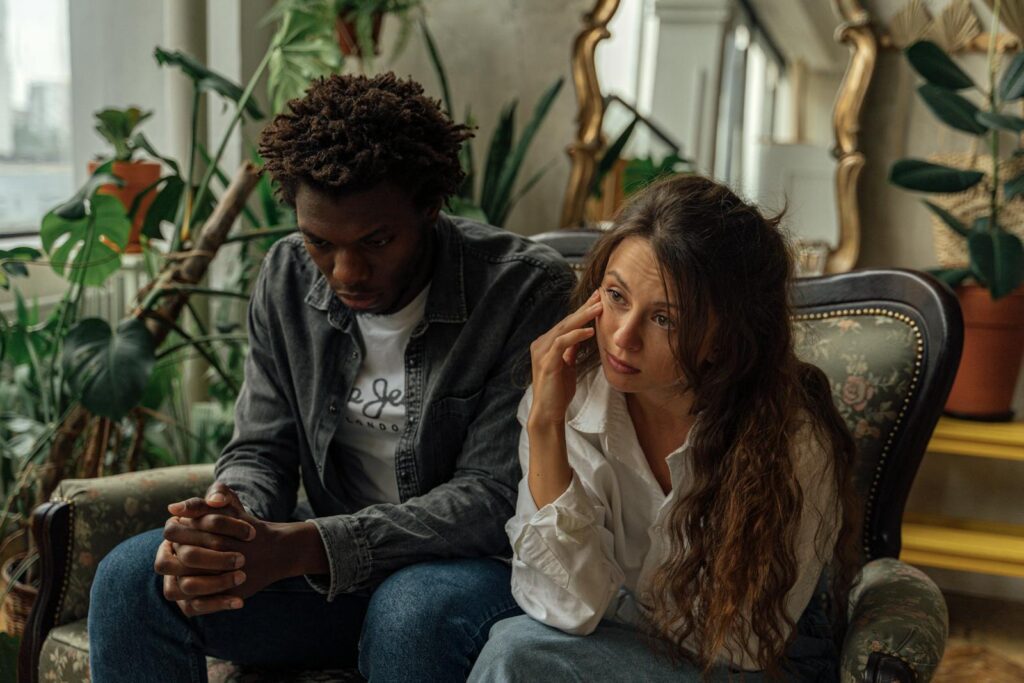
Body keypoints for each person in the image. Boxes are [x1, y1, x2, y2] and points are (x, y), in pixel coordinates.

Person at [88, 72, 574, 682]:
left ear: (429, 206)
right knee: (134, 579)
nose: (346, 272)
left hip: (469, 575)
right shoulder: (287, 275)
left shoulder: (524, 289)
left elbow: (491, 498)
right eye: (320, 241)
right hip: (329, 580)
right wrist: (231, 515)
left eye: (376, 240)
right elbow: (262, 446)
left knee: (411, 610)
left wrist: (306, 545)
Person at [470, 174, 859, 682]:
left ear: (724, 339)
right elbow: (565, 608)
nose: (622, 337)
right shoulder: (570, 396)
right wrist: (545, 424)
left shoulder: (790, 441)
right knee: (492, 638)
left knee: (519, 655)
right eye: (615, 296)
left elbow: (735, 642)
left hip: (758, 666)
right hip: (620, 641)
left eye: (665, 320)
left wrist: (602, 608)